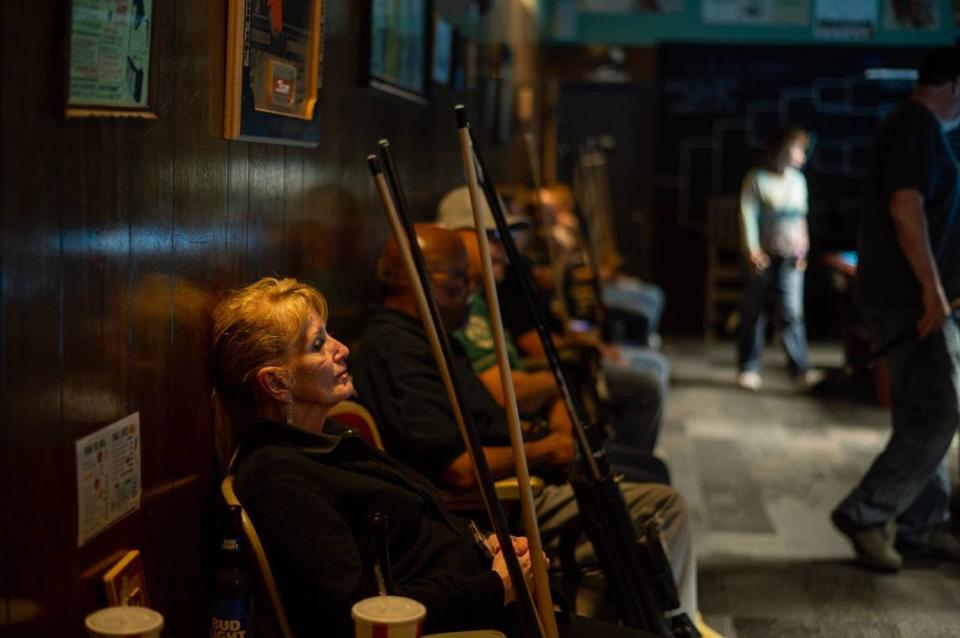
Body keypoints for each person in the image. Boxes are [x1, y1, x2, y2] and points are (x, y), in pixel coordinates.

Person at [212, 276, 657, 638]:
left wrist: (489, 547)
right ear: (276, 384)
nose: (341, 349)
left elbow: (414, 542)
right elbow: (360, 613)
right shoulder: (280, 478)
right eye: (317, 345)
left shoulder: (330, 436)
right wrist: (494, 584)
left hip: (499, 612)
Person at [350, 224, 698, 621]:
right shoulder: (397, 351)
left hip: (523, 477)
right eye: (461, 280)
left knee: (644, 476)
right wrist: (545, 449)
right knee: (665, 505)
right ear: (422, 281)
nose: (471, 292)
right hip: (499, 504)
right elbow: (459, 469)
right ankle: (676, 622)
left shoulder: (431, 337)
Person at [832, 47, 960, 572]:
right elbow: (906, 209)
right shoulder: (916, 127)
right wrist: (932, 293)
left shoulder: (915, 127)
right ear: (954, 85)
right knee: (939, 411)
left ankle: (920, 524)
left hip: (912, 297)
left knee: (919, 410)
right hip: (912, 300)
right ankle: (866, 511)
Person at [736, 128, 822, 391]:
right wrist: (751, 250)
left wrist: (803, 251)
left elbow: (801, 219)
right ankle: (749, 366)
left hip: (790, 256)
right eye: (797, 148)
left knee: (792, 312)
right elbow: (747, 216)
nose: (801, 155)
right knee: (754, 310)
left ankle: (799, 368)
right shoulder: (757, 178)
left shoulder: (798, 181)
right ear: (781, 149)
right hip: (762, 255)